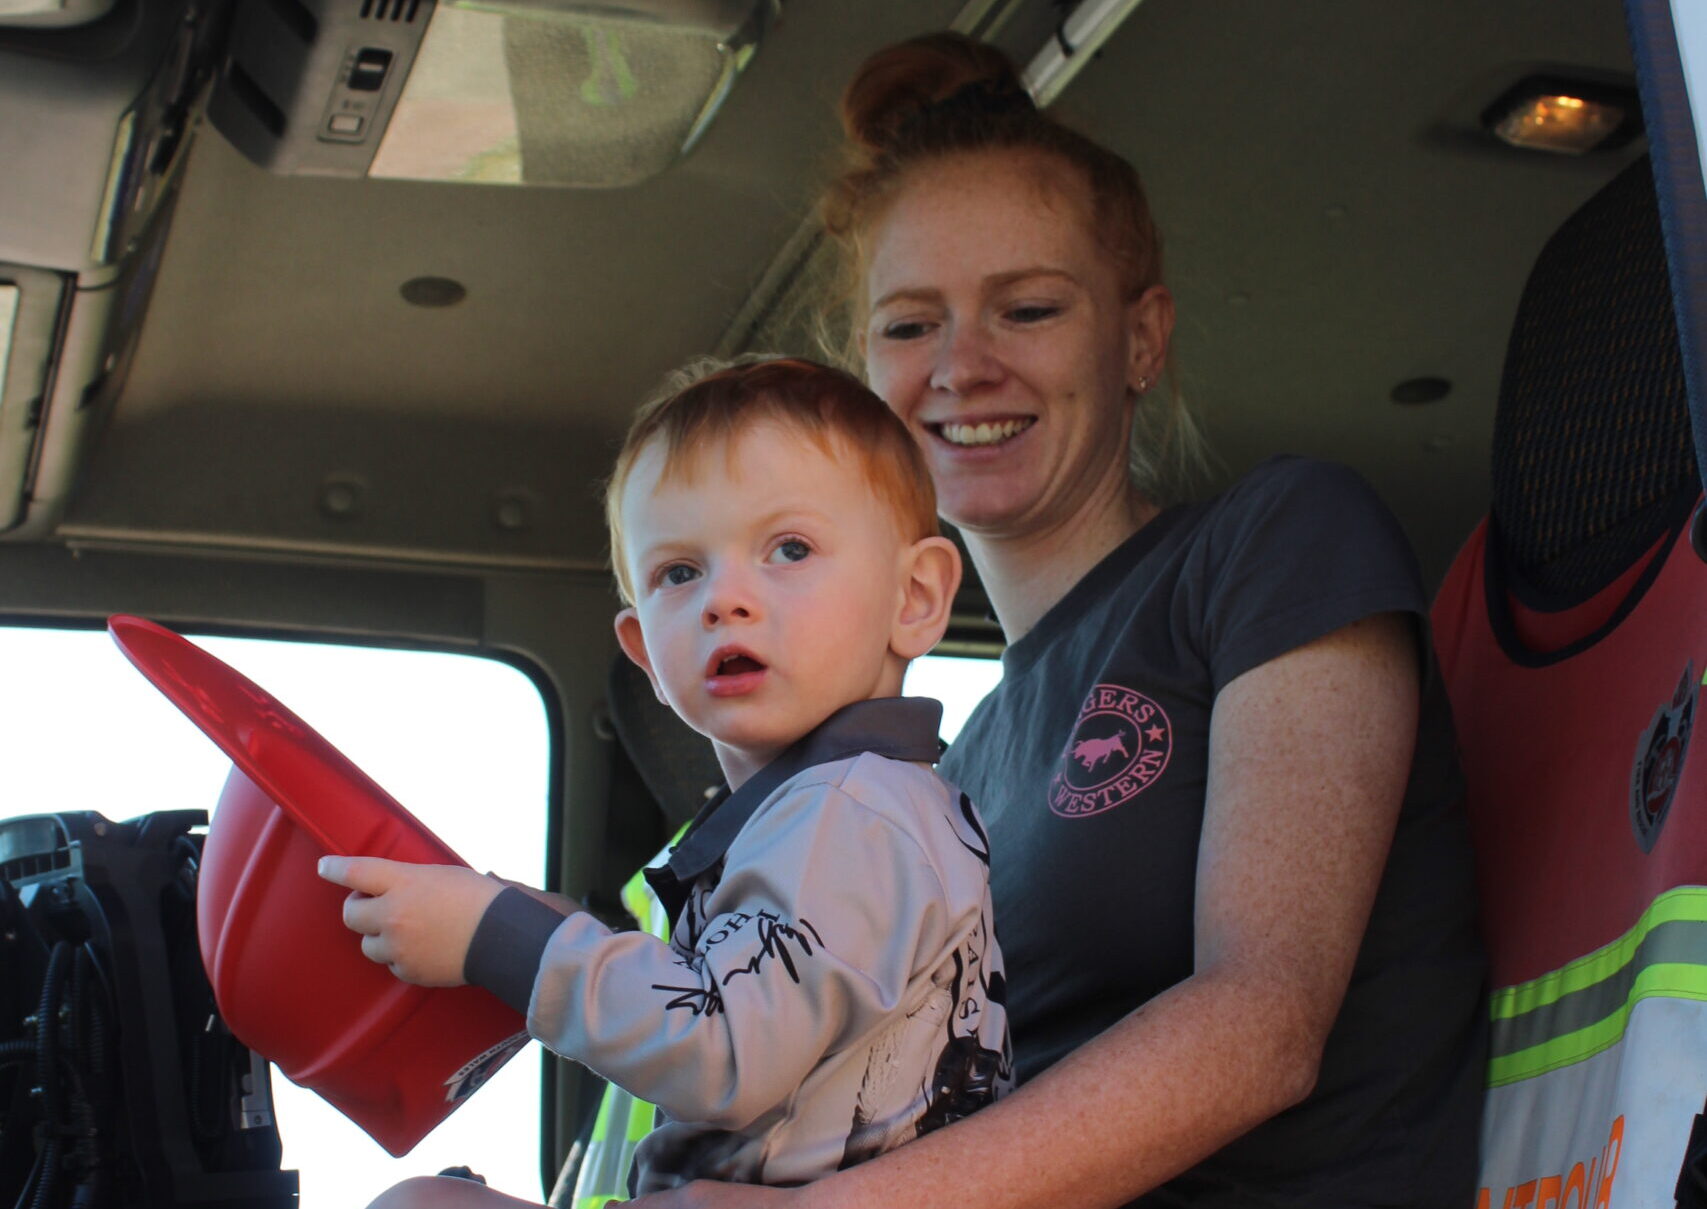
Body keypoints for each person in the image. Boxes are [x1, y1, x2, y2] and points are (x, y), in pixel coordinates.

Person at [624, 31, 1486, 1209]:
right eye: (911, 326)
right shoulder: (950, 770)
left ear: (1139, 339)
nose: (962, 366)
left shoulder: (1279, 544)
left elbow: (1265, 1021)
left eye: (1027, 309)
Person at [320, 358, 1011, 1206]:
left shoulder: (853, 809)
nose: (725, 598)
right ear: (646, 651)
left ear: (913, 597)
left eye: (788, 549)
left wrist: (501, 938)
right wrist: (557, 929)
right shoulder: (819, 815)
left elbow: (723, 1053)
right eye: (679, 573)